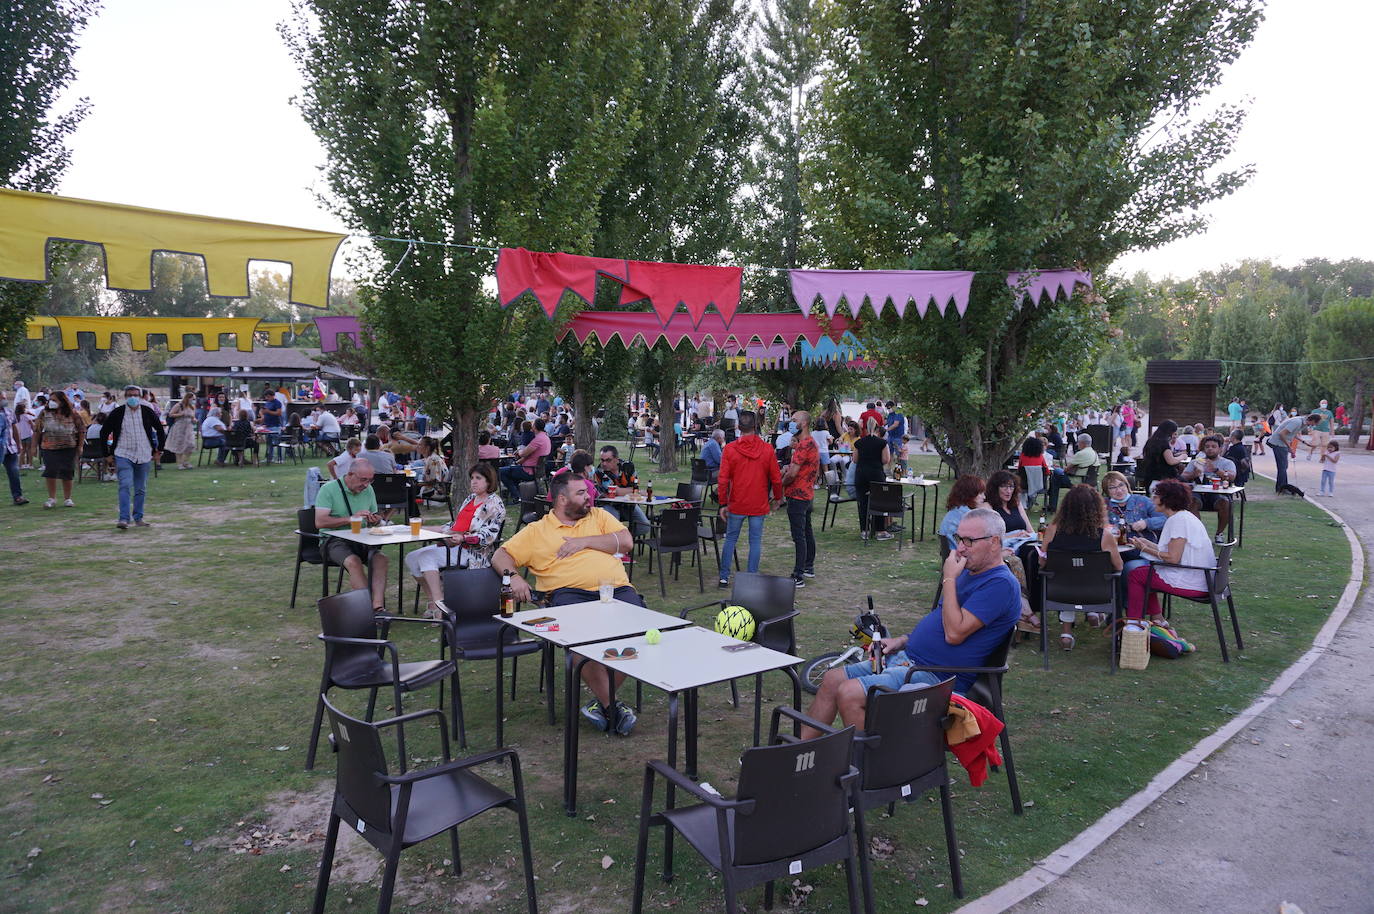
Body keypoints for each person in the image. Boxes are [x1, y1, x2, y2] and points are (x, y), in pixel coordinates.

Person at [800, 507, 1020, 736]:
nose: (961, 548)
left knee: (849, 693)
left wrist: (949, 579)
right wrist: (903, 640)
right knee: (832, 679)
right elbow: (940, 622)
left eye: (969, 541)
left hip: (938, 677)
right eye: (959, 538)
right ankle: (799, 758)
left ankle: (876, 767)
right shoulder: (969, 570)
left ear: (994, 542)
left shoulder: (1000, 584)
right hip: (909, 660)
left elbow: (954, 633)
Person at [491, 473, 642, 735]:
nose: (589, 497)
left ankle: (603, 704)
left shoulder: (598, 516)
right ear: (562, 499)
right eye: (581, 493)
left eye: (588, 492)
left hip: (616, 589)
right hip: (568, 594)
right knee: (577, 642)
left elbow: (626, 542)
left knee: (640, 635)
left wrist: (584, 542)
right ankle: (611, 705)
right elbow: (500, 555)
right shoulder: (538, 531)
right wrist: (513, 577)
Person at [406, 463, 507, 616]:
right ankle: (435, 601)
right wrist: (422, 528)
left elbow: (489, 535)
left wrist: (463, 538)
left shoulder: (494, 503)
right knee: (411, 558)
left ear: (489, 481)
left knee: (426, 557)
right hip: (454, 546)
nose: (473, 481)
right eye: (472, 478)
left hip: (474, 553)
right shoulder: (471, 498)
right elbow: (455, 525)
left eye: (478, 478)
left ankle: (441, 608)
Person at [1125, 479, 1214, 635]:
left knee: (1136, 575)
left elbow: (1173, 558)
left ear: (1167, 499)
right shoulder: (1183, 517)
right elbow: (1173, 551)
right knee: (1145, 573)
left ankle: (1134, 625)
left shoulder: (1178, 521)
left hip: (1192, 582)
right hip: (1200, 577)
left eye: (1156, 496)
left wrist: (1144, 548)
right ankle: (1157, 620)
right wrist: (1147, 543)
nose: (1152, 499)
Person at [1041, 484, 1122, 650]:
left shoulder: (1052, 530)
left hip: (1060, 591)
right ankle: (1093, 613)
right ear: (1096, 508)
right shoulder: (1104, 535)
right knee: (1091, 577)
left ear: (1066, 507)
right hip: (1096, 593)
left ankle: (1066, 634)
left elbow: (1042, 561)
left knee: (1065, 576)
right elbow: (1119, 566)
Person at [716, 410, 783, 587]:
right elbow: (776, 478)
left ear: (738, 427)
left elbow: (722, 479)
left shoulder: (730, 449)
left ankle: (724, 577)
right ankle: (751, 577)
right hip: (758, 502)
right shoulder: (767, 449)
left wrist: (723, 502)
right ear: (755, 426)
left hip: (738, 501)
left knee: (731, 539)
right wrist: (778, 498)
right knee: (755, 541)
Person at [314, 462, 392, 612]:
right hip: (333, 540)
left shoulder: (368, 490)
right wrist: (350, 519)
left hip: (361, 538)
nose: (366, 484)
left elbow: (374, 516)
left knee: (381, 559)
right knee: (353, 561)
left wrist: (374, 520)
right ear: (350, 475)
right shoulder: (328, 489)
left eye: (370, 480)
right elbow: (320, 522)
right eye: (363, 480)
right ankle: (365, 609)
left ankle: (377, 607)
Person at [103, 385, 165, 529]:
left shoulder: (147, 411)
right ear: (125, 397)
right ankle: (124, 519)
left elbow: (160, 429)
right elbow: (104, 432)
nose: (133, 398)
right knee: (124, 485)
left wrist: (159, 450)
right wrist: (106, 454)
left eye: (136, 395)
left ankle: (138, 517)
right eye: (130, 395)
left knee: (140, 488)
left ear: (140, 396)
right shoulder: (118, 413)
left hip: (144, 453)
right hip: (123, 453)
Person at [782, 410, 820, 587]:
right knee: (806, 531)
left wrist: (781, 483)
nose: (791, 422)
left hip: (798, 494)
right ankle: (808, 567)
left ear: (803, 423)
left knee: (799, 535)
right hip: (807, 494)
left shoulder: (805, 445)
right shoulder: (810, 443)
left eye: (794, 420)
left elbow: (793, 473)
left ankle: (798, 575)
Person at [1180, 434, 1237, 543]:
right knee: (1191, 501)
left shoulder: (1227, 462)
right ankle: (1199, 534)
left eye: (1213, 446)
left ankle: (1219, 534)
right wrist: (1194, 474)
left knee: (1225, 503)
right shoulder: (1196, 462)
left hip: (1217, 493)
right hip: (1198, 493)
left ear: (1220, 449)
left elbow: (1232, 476)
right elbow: (1183, 476)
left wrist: (1216, 470)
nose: (1210, 449)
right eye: (1207, 446)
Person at [35, 390, 86, 509]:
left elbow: (81, 429)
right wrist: (33, 447)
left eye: (54, 400)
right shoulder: (44, 413)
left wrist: (80, 446)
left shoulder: (73, 413)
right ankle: (51, 498)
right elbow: (37, 430)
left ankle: (67, 498)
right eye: (50, 400)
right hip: (49, 447)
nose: (51, 402)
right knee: (50, 471)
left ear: (62, 402)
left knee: (67, 472)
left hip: (68, 447)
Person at [594, 445, 649, 535]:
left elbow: (634, 487)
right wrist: (637, 491)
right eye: (602, 460)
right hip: (609, 505)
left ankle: (624, 539)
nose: (604, 463)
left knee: (644, 527)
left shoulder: (628, 466)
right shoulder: (600, 471)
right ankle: (618, 541)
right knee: (613, 528)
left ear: (616, 459)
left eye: (608, 460)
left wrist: (633, 490)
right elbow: (617, 491)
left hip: (628, 504)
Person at [852, 416, 891, 540]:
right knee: (879, 501)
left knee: (863, 502)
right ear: (877, 428)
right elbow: (886, 460)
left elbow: (855, 459)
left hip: (861, 474)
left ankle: (865, 530)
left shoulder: (859, 442)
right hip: (876, 474)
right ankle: (880, 530)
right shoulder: (882, 443)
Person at [498, 417, 550, 501]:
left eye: (533, 424)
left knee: (501, 471)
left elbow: (523, 453)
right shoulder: (545, 437)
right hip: (537, 470)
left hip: (529, 470)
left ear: (535, 427)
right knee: (510, 471)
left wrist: (519, 450)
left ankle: (516, 496)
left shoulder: (538, 439)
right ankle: (517, 493)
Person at [1268, 412, 1319, 495]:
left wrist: (1304, 442)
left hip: (1282, 444)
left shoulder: (1302, 423)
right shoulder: (1297, 422)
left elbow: (1292, 433)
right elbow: (1282, 434)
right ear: (1312, 420)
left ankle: (1283, 487)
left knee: (1284, 467)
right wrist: (1290, 447)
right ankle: (1281, 488)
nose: (1314, 425)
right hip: (1278, 443)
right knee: (1282, 468)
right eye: (1315, 423)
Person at [1046, 433, 1101, 511]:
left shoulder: (1081, 453)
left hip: (1078, 481)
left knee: (1055, 475)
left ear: (1082, 443)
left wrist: (1058, 468)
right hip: (1090, 480)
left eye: (1078, 442)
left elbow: (1066, 470)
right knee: (1056, 476)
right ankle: (1051, 499)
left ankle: (1052, 505)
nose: (1077, 444)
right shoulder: (1094, 453)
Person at [938, 474, 987, 549]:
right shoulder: (967, 516)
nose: (984, 497)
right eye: (980, 493)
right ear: (970, 494)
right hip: (962, 557)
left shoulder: (956, 511)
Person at [1137, 420, 1185, 491]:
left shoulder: (1150, 441)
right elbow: (1170, 461)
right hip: (1164, 477)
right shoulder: (1164, 443)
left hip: (1150, 475)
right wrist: (1182, 457)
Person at [0, 389, 26, 505]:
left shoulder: (9, 412)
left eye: (5, 398)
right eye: (2, 398)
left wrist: (19, 443)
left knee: (14, 472)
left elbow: (15, 428)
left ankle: (18, 496)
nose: (5, 400)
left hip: (10, 448)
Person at [165, 393, 197, 469]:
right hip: (179, 426)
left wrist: (194, 419)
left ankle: (186, 461)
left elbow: (192, 417)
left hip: (189, 427)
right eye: (193, 399)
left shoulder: (192, 407)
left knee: (191, 444)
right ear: (188, 398)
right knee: (179, 444)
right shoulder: (179, 405)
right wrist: (181, 414)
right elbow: (171, 414)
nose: (193, 401)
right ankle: (180, 463)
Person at [259, 387, 284, 463]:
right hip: (268, 425)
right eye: (266, 397)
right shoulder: (267, 403)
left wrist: (268, 411)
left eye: (268, 397)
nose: (267, 398)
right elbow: (263, 411)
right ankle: (269, 458)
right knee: (269, 443)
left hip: (275, 425)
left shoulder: (277, 403)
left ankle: (280, 458)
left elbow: (279, 413)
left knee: (277, 442)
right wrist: (262, 414)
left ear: (272, 396)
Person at [883, 401, 905, 470]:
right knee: (890, 453)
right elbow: (886, 422)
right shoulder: (890, 415)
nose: (888, 409)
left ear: (894, 407)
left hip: (898, 437)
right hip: (890, 437)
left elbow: (896, 424)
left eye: (889, 408)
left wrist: (886, 430)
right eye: (887, 408)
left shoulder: (898, 414)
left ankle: (900, 469)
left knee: (898, 454)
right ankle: (889, 469)